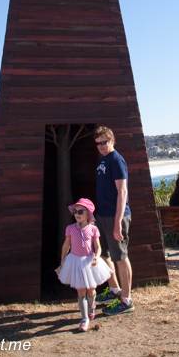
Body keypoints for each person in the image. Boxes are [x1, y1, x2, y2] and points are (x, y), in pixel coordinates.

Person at [93, 126, 134, 316]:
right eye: (98, 143)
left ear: (112, 140)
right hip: (103, 215)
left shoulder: (116, 160)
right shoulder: (103, 159)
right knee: (104, 254)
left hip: (116, 216)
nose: (100, 146)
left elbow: (122, 192)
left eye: (104, 142)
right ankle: (115, 289)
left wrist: (118, 222)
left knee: (120, 256)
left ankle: (126, 301)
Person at [56, 197, 112, 332]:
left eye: (81, 211)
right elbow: (66, 246)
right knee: (80, 290)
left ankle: (91, 307)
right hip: (75, 261)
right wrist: (62, 261)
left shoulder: (93, 229)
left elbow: (98, 247)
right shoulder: (70, 229)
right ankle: (84, 318)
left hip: (89, 262)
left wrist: (97, 257)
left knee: (91, 290)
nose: (77, 214)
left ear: (88, 214)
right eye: (75, 211)